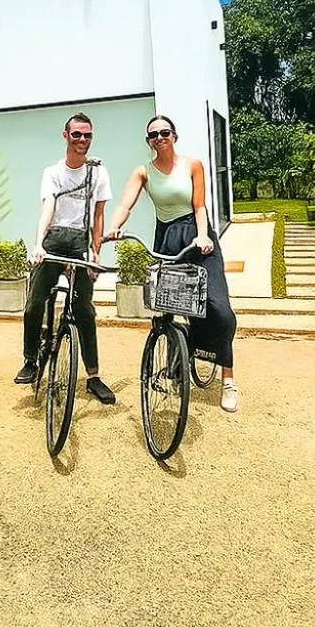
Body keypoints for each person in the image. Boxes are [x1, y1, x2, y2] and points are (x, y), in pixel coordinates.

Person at [105, 114, 240, 413]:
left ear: (174, 136)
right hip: (166, 239)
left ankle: (228, 379)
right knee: (169, 308)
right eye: (153, 135)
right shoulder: (144, 172)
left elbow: (199, 205)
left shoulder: (192, 165)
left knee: (220, 309)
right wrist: (113, 228)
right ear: (148, 141)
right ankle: (176, 368)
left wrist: (204, 235)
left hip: (196, 235)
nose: (159, 138)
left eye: (164, 133)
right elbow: (125, 204)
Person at [14, 113, 117, 405]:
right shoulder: (53, 172)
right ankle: (31, 360)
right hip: (55, 240)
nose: (82, 140)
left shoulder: (98, 172)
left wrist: (96, 253)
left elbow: (98, 216)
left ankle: (93, 377)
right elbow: (48, 206)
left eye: (87, 135)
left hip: (81, 241)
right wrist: (38, 245)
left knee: (84, 309)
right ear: (65, 136)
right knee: (35, 302)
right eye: (77, 135)